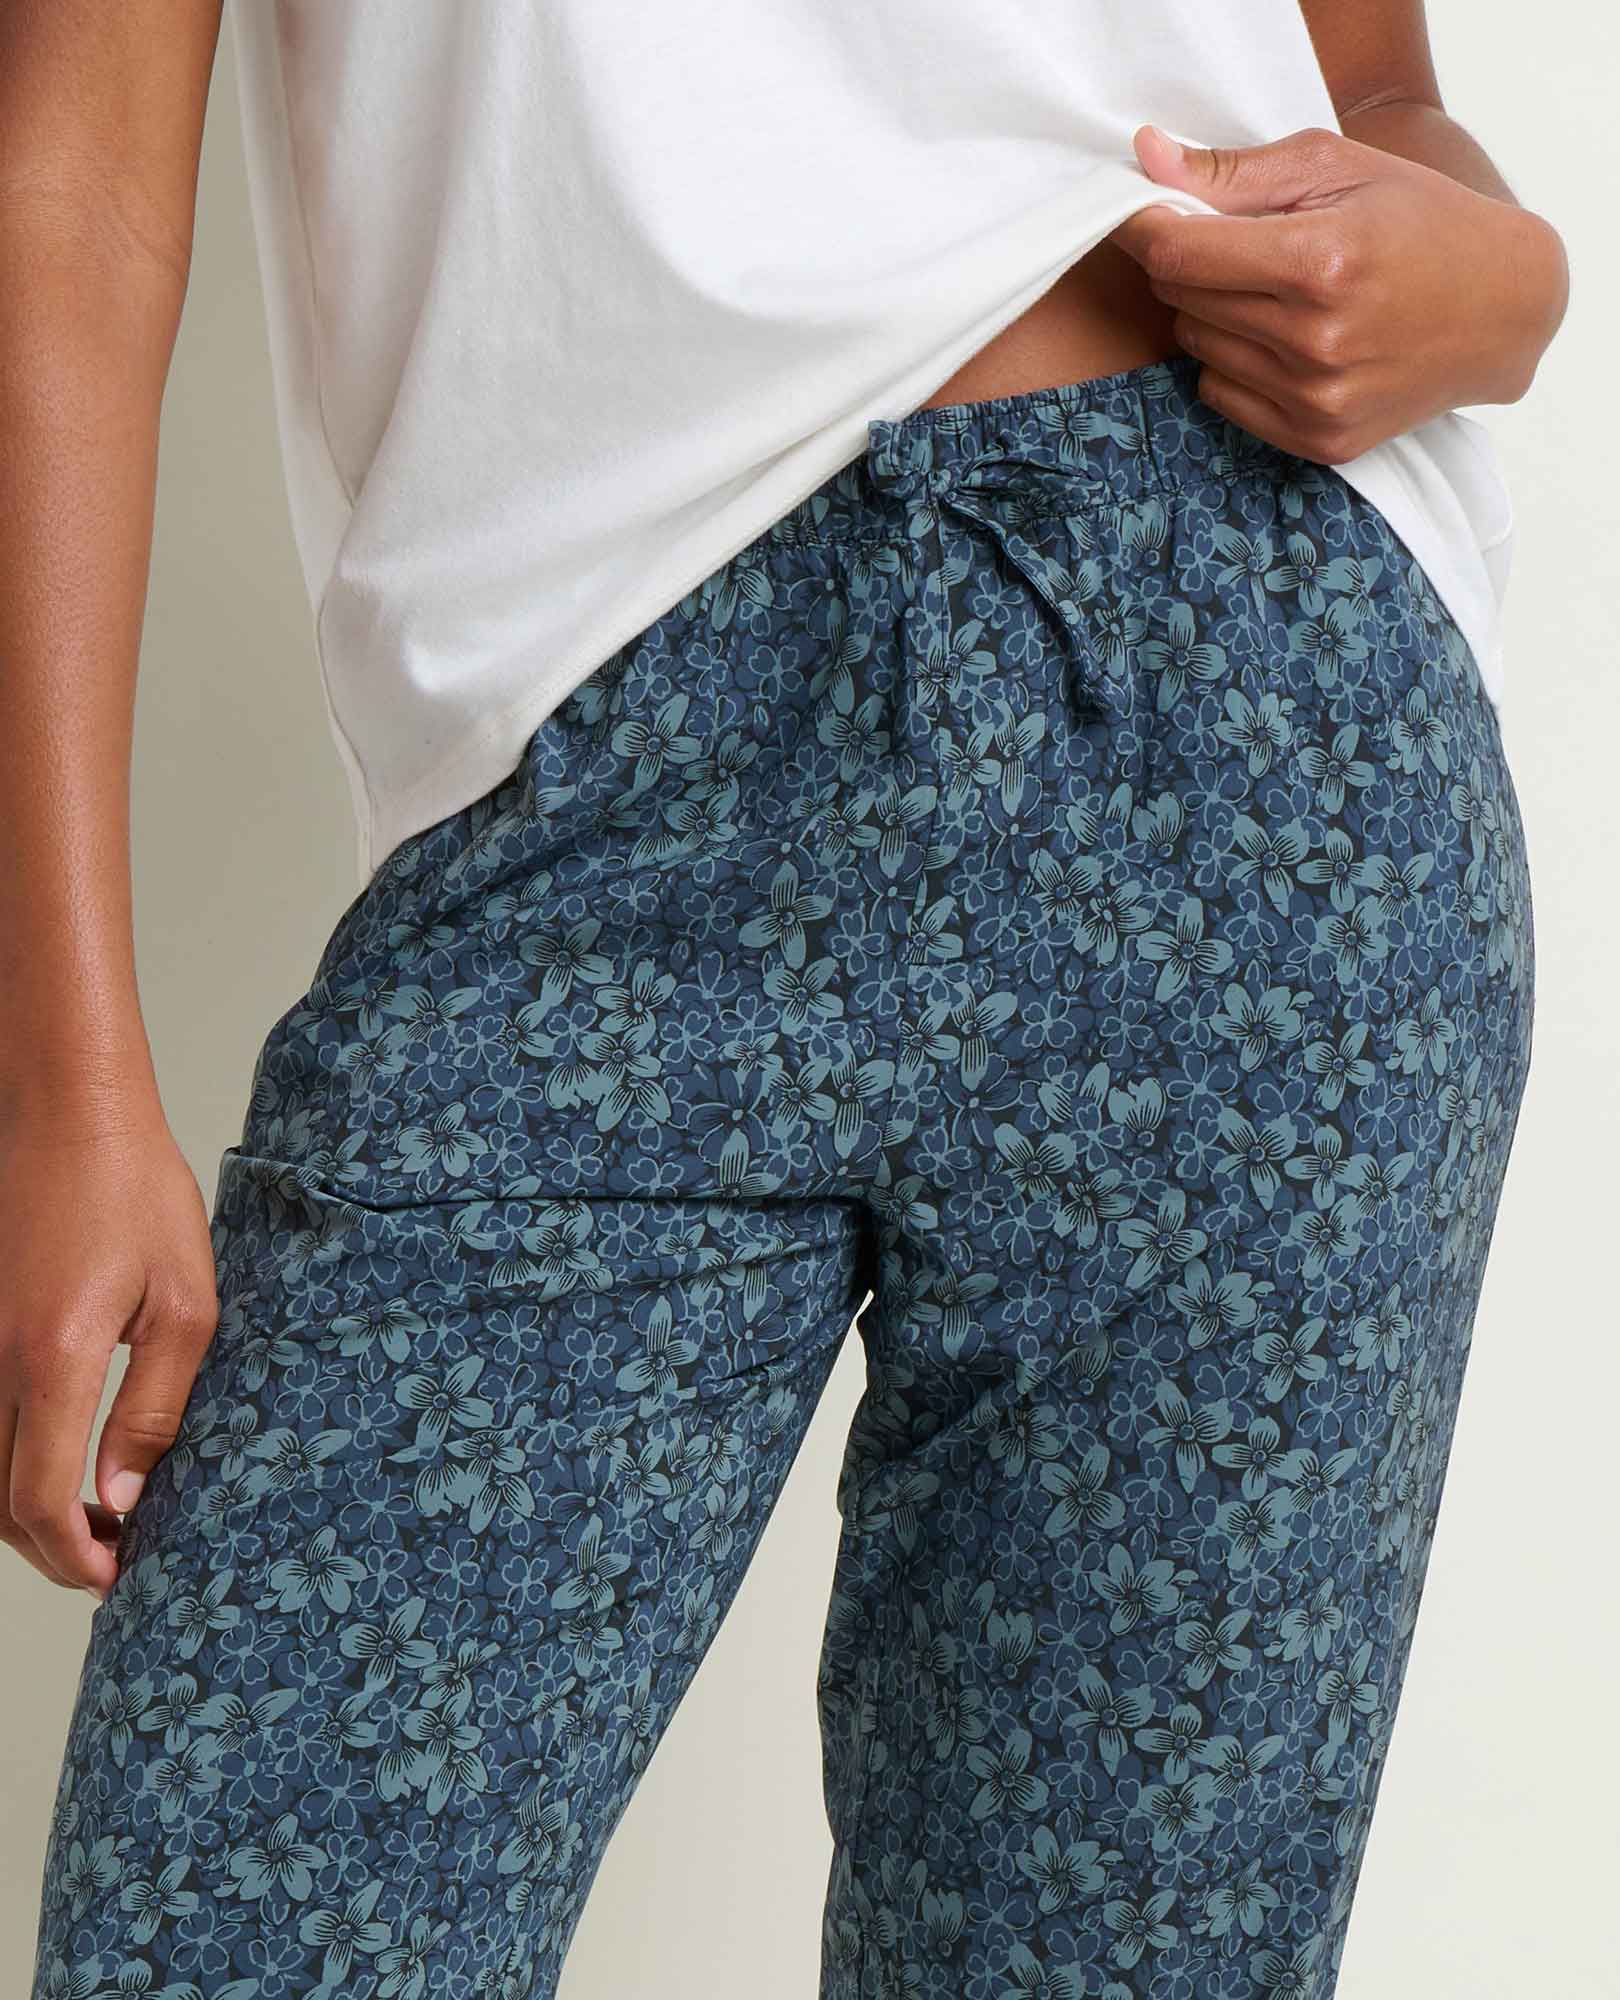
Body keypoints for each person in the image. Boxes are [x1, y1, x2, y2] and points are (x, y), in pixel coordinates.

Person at [2, 2, 1565, 1996]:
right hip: (580, 776)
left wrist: (1508, 280)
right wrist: (64, 1085)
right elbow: (71, 195)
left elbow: (1376, 94)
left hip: (1253, 714)